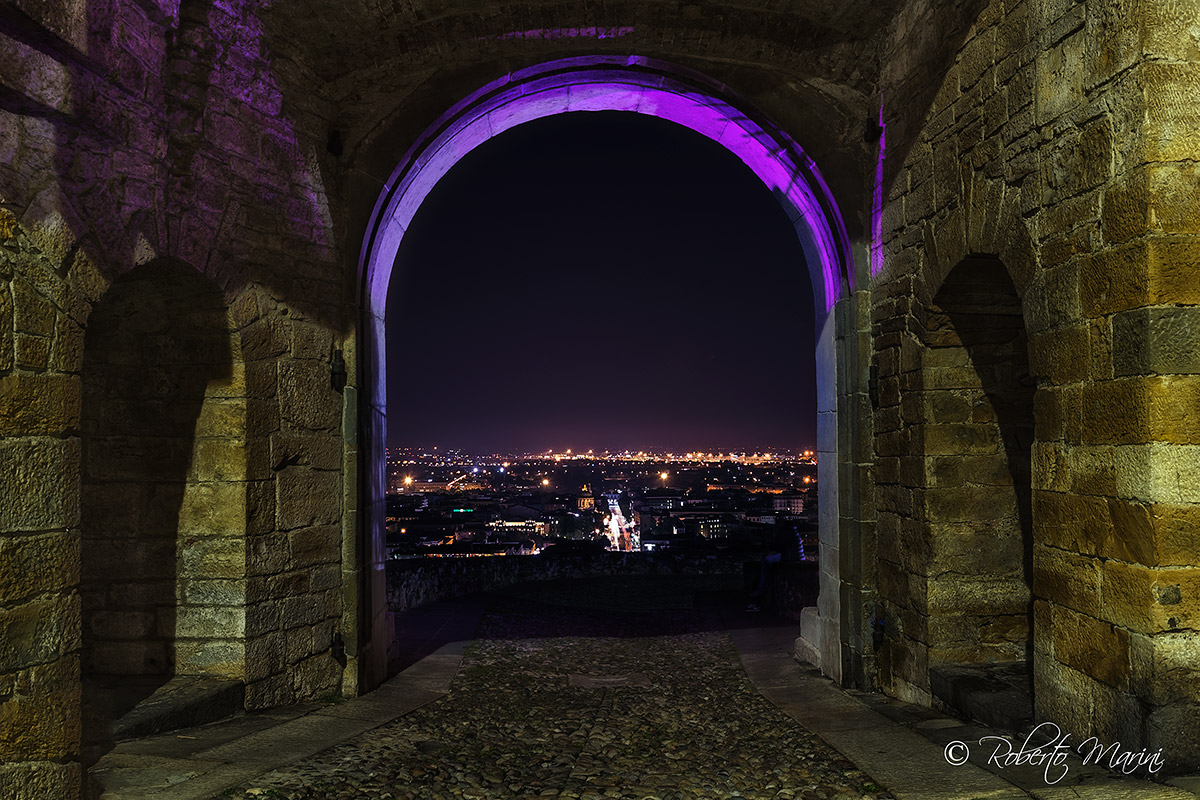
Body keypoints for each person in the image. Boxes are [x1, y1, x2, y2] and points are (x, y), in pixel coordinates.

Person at [745, 522, 802, 611]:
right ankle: (760, 588)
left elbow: (779, 547)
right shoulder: (793, 531)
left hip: (790, 557)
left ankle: (760, 588)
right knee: (767, 560)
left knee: (765, 561)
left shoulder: (785, 532)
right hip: (796, 557)